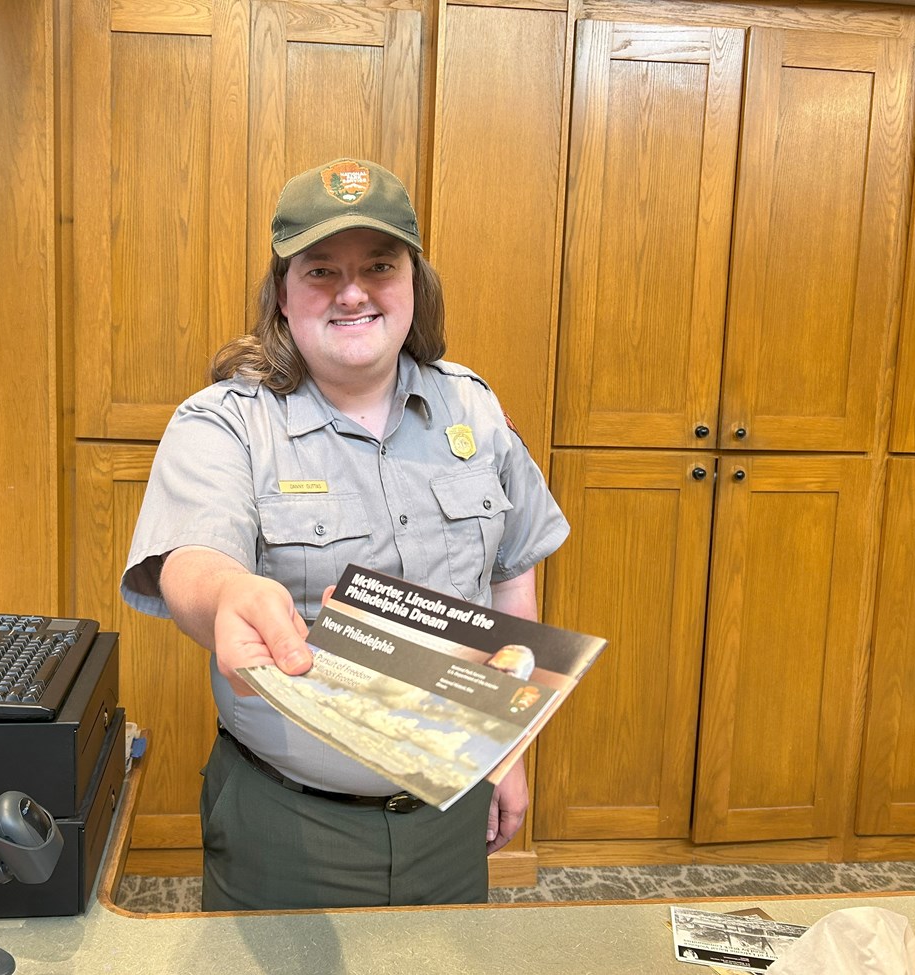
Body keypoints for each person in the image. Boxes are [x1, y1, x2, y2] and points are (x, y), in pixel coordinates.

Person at [120, 157, 570, 911]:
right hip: (287, 821)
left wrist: (507, 750)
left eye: (379, 266)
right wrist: (230, 593)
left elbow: (510, 569)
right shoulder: (226, 421)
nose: (353, 291)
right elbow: (193, 561)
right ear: (283, 297)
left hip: (449, 806)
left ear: (414, 284)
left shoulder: (475, 409)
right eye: (322, 269)